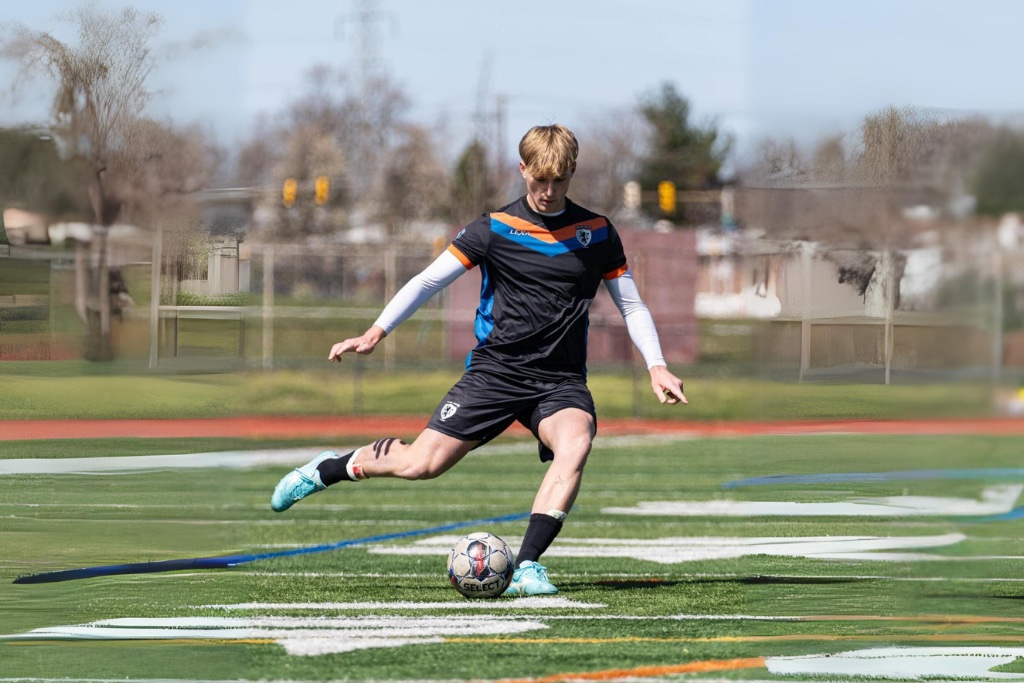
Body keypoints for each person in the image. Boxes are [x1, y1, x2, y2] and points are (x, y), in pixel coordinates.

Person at [271, 124, 686, 596]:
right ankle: (329, 468)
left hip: (559, 381)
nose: (549, 192)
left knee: (576, 443)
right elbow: (428, 282)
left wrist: (656, 364)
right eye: (539, 180)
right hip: (496, 373)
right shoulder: (494, 229)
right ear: (522, 169)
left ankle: (527, 565)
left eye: (560, 181)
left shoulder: (596, 232)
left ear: (572, 174)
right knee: (421, 465)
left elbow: (630, 304)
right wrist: (375, 331)